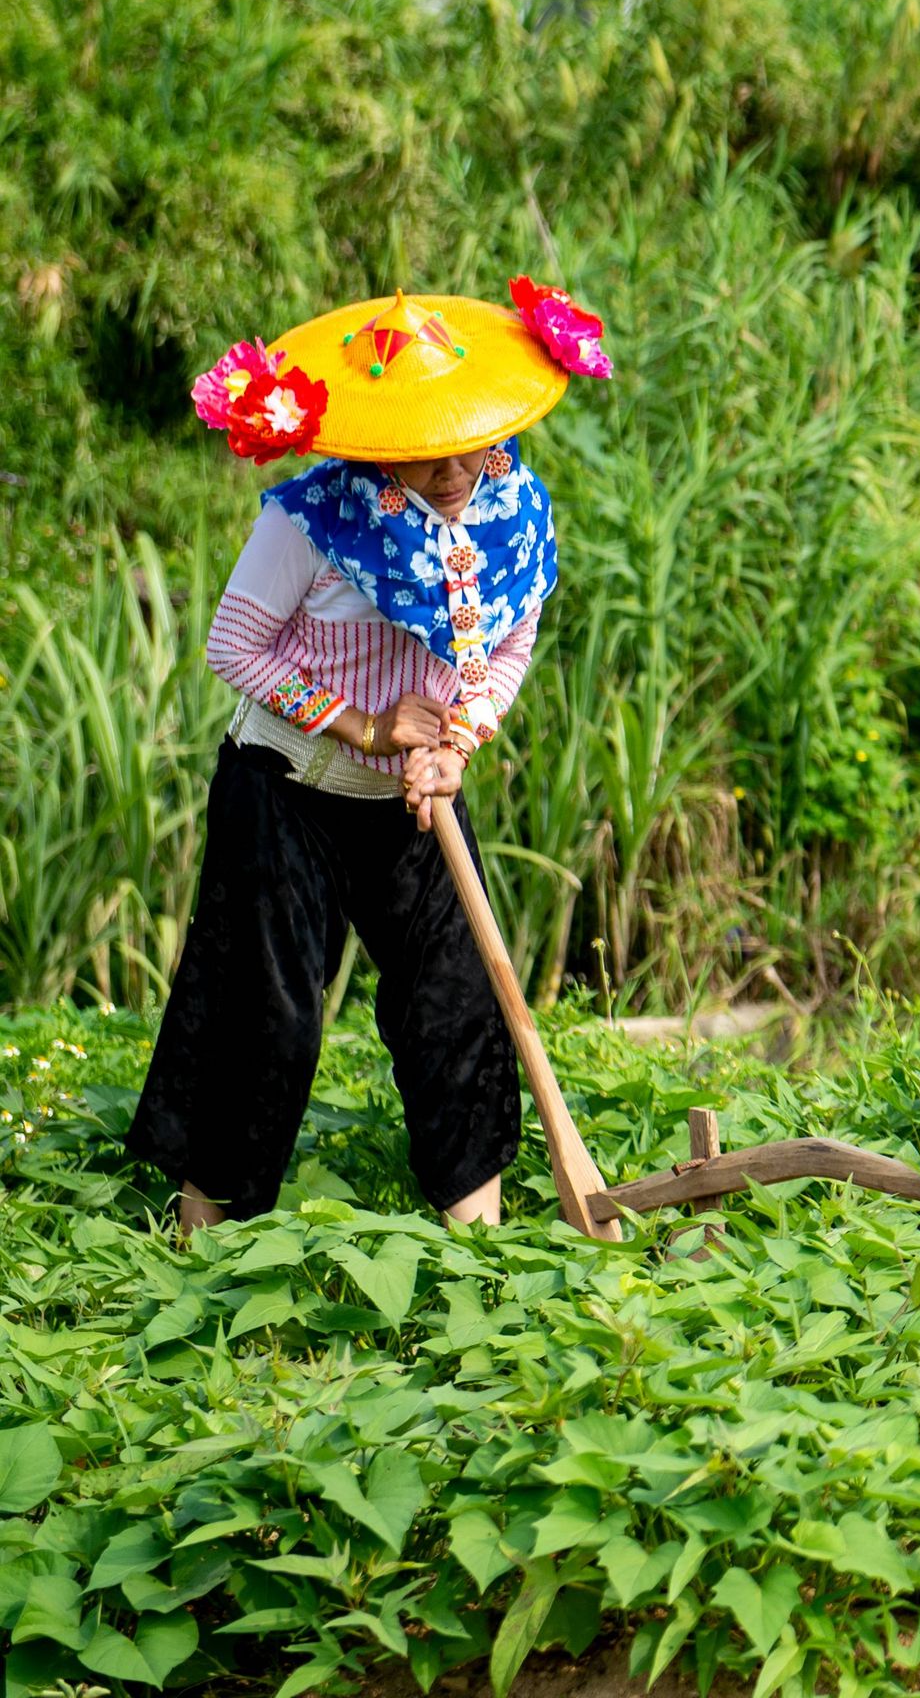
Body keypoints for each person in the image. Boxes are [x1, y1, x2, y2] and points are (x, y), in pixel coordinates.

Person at [129, 278, 614, 1240]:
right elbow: (235, 646)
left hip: (412, 796)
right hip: (288, 788)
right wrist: (365, 726)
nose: (446, 474)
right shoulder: (310, 520)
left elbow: (506, 644)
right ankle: (203, 1241)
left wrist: (458, 739)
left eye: (460, 449)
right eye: (420, 457)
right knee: (268, 1015)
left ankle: (478, 1237)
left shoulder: (509, 512)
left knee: (455, 997)